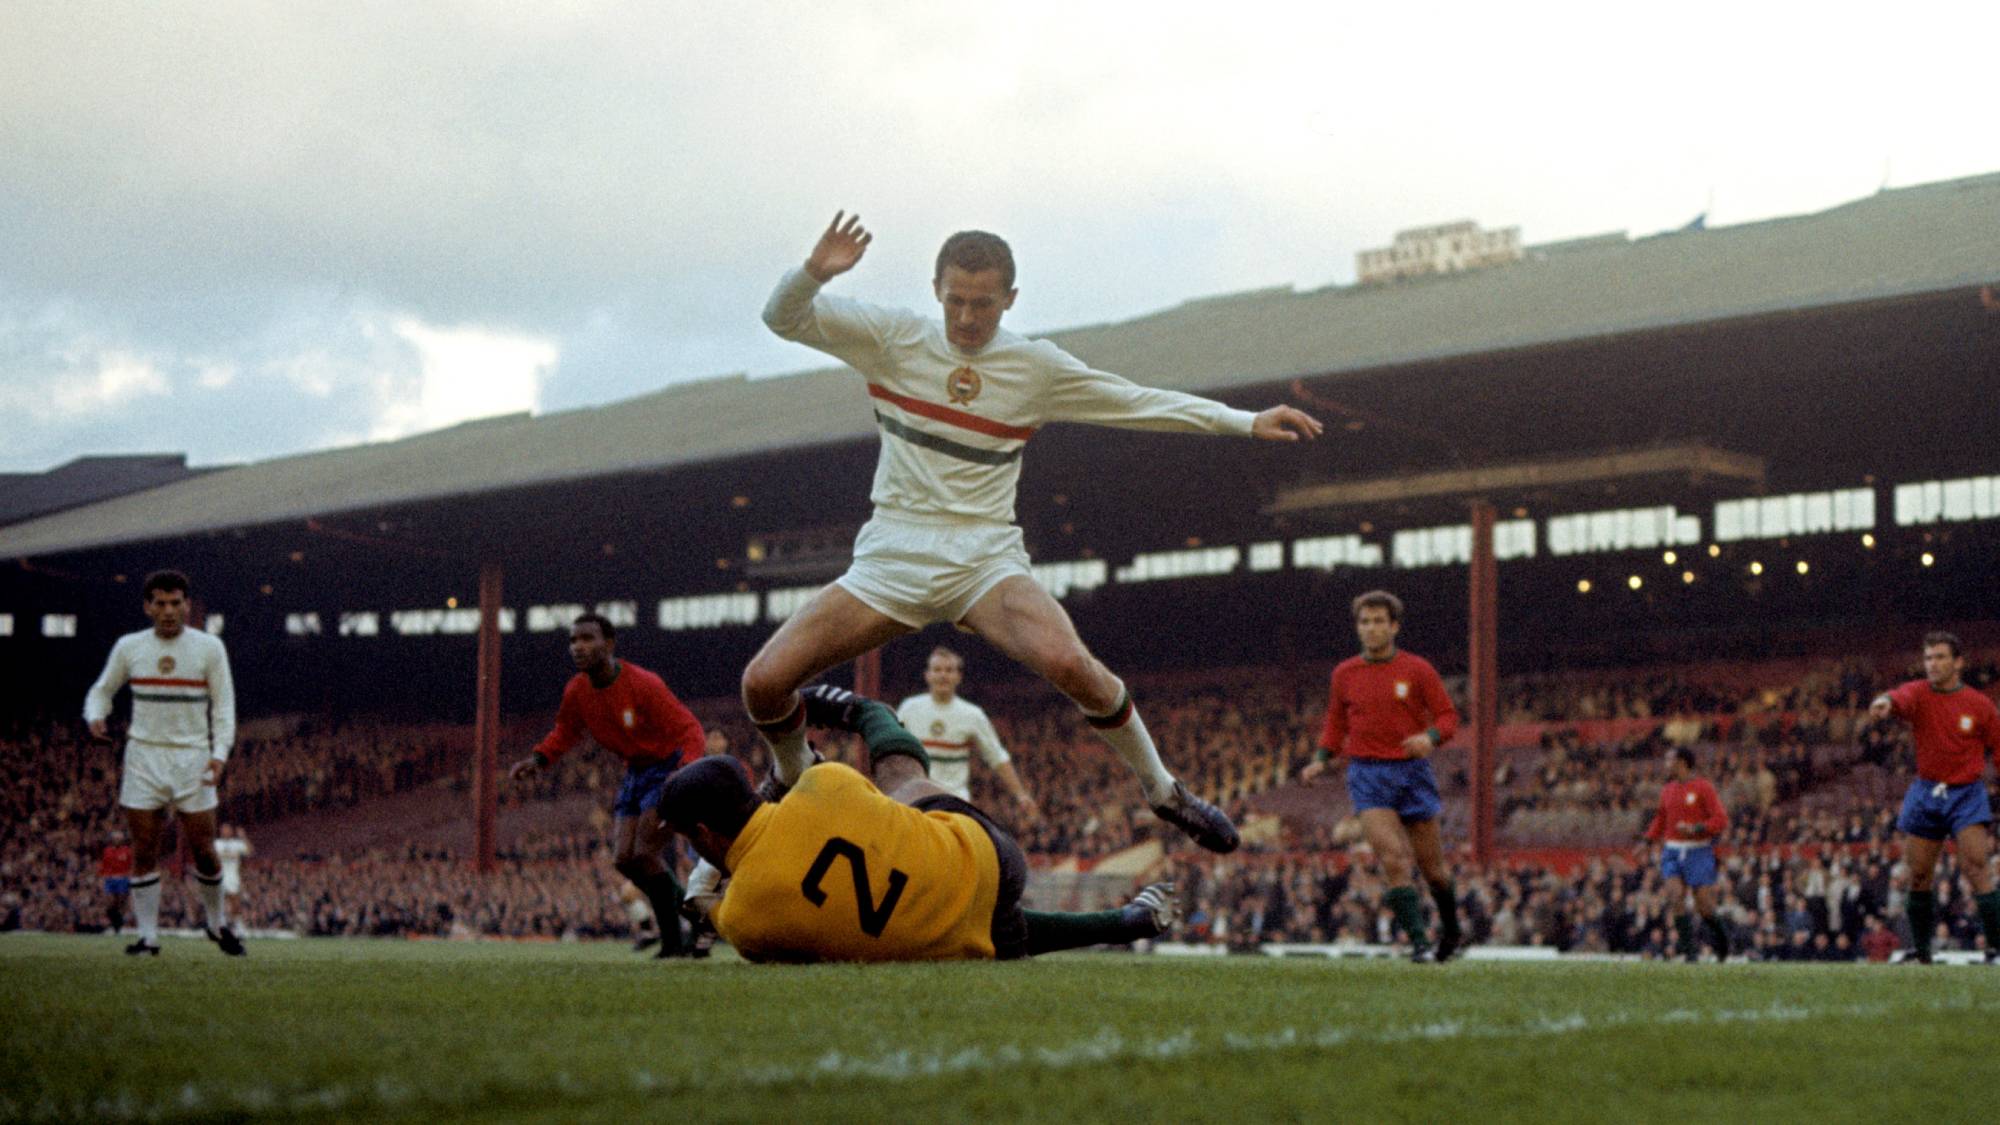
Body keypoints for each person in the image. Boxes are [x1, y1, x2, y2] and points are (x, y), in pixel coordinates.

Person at [749, 213, 1324, 855]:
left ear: (1010, 300)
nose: (967, 319)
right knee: (763, 684)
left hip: (983, 559)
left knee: (1073, 666)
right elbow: (783, 319)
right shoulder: (891, 336)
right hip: (892, 557)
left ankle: (1165, 791)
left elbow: (1134, 401)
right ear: (936, 289)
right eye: (956, 301)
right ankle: (794, 777)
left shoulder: (1033, 367)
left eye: (984, 304)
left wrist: (1243, 422)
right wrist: (812, 274)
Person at [664, 686, 1175, 963]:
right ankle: (866, 712)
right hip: (993, 860)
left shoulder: (747, 918)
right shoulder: (825, 786)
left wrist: (707, 882)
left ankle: (1123, 921)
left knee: (944, 911)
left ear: (703, 835)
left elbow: (706, 908)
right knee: (902, 786)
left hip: (952, 933)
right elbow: (812, 793)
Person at [509, 613, 706, 957]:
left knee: (645, 852)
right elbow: (566, 731)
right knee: (623, 860)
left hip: (667, 768)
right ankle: (688, 923)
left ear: (609, 644)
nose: (578, 647)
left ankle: (681, 934)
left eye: (587, 638)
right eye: (573, 640)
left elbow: (690, 728)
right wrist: (539, 759)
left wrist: (685, 771)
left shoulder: (643, 683)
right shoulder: (577, 690)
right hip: (635, 773)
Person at [84, 568, 244, 957]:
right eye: (161, 603)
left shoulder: (209, 648)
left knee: (204, 849)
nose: (169, 610)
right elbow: (101, 690)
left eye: (176, 603)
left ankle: (216, 923)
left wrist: (220, 753)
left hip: (193, 757)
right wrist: (95, 715)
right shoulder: (129, 647)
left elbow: (224, 708)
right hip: (144, 755)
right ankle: (148, 937)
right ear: (148, 607)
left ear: (187, 605)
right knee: (145, 849)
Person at [1300, 590, 1462, 962]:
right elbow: (1335, 723)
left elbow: (1448, 718)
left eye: (1378, 621)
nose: (1370, 628)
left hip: (1412, 772)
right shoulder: (1344, 674)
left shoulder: (1418, 669)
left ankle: (1451, 931)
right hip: (1367, 773)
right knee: (1392, 859)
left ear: (1394, 626)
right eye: (1364, 621)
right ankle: (1420, 944)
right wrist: (1321, 758)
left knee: (1434, 872)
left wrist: (1430, 737)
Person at [1868, 631, 2000, 964]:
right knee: (1919, 875)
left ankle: (1996, 949)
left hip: (1966, 793)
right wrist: (1886, 701)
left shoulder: (1980, 705)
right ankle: (1923, 952)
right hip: (1927, 790)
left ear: (1958, 662)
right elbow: (1900, 696)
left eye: (1940, 657)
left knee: (1976, 867)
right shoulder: (1919, 694)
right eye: (1928, 658)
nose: (1933, 664)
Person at [896, 646, 1038, 820]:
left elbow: (997, 756)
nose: (943, 675)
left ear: (958, 677)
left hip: (955, 802)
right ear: (928, 675)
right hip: (916, 801)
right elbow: (894, 750)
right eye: (937, 670)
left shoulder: (972, 714)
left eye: (949, 670)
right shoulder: (909, 708)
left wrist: (1020, 794)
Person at [1642, 747, 1730, 962]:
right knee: (1674, 895)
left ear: (1682, 762)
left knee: (1704, 906)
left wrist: (1697, 828)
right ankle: (1690, 952)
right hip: (1672, 850)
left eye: (1669, 759)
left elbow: (1721, 820)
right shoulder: (1667, 790)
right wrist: (1647, 841)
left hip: (1698, 851)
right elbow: (1660, 819)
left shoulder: (1703, 787)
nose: (1666, 763)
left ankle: (1723, 940)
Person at [98, 830, 133, 935]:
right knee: (110, 901)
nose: (117, 840)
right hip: (110, 879)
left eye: (119, 839)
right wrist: (101, 878)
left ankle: (117, 924)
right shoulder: (107, 851)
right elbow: (104, 866)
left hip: (122, 878)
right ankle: (116, 922)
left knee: (120, 901)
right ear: (112, 840)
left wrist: (130, 878)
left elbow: (130, 866)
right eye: (116, 838)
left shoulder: (127, 851)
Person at [215, 823, 252, 906]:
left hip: (234, 878)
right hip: (220, 879)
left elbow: (250, 851)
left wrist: (243, 837)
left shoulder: (236, 843)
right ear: (220, 831)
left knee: (235, 904)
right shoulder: (216, 844)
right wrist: (229, 855)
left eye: (228, 829)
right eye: (224, 829)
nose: (226, 831)